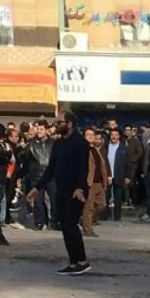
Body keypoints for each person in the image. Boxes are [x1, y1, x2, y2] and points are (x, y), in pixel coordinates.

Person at [26, 112, 91, 276]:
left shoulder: (80, 142)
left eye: (59, 122)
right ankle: (73, 262)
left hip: (76, 191)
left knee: (71, 224)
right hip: (61, 189)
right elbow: (51, 169)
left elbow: (84, 168)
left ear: (69, 124)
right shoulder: (58, 143)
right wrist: (37, 188)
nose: (56, 125)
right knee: (64, 226)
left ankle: (82, 261)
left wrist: (80, 188)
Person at [25, 121, 56, 230]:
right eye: (38, 129)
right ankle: (39, 221)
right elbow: (26, 160)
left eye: (42, 129)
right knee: (38, 201)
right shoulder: (31, 143)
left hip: (51, 175)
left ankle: (55, 221)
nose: (39, 131)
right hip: (36, 175)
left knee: (54, 199)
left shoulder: (53, 143)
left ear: (47, 130)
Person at [81, 128, 109, 237]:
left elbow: (103, 166)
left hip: (99, 183)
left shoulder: (96, 149)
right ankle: (88, 230)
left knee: (102, 205)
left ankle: (84, 221)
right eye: (88, 134)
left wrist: (105, 181)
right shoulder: (82, 149)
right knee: (89, 208)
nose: (91, 136)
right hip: (89, 182)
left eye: (92, 134)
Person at [101, 128, 132, 221]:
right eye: (112, 135)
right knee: (106, 197)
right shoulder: (105, 147)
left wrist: (128, 176)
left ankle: (117, 216)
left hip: (119, 175)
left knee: (118, 197)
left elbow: (128, 163)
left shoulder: (123, 148)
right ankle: (105, 215)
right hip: (107, 175)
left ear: (119, 136)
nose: (114, 137)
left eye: (116, 135)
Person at [124, 125, 144, 207]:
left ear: (132, 131)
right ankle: (126, 199)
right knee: (125, 184)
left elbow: (140, 152)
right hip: (124, 164)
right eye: (126, 130)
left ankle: (133, 200)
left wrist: (133, 159)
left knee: (131, 183)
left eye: (129, 130)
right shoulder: (123, 140)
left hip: (132, 165)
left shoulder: (135, 141)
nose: (127, 132)